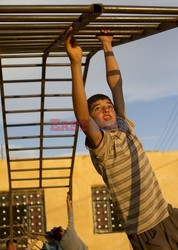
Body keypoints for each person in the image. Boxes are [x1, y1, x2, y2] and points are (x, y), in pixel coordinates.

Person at [65, 27, 178, 249]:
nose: (106, 110)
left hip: (169, 215)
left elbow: (117, 86)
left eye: (109, 106)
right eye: (98, 109)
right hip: (147, 233)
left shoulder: (125, 128)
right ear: (93, 119)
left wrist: (107, 45)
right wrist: (76, 63)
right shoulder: (103, 146)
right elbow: (81, 117)